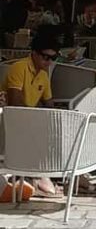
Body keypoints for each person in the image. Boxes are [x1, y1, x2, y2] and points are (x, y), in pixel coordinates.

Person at [0, 33, 63, 197]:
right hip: (10, 120)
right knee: (38, 131)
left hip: (29, 120)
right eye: (45, 57)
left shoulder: (43, 75)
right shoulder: (20, 67)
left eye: (53, 58)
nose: (49, 62)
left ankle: (57, 175)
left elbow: (49, 105)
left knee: (60, 131)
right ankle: (41, 177)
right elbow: (15, 102)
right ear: (34, 54)